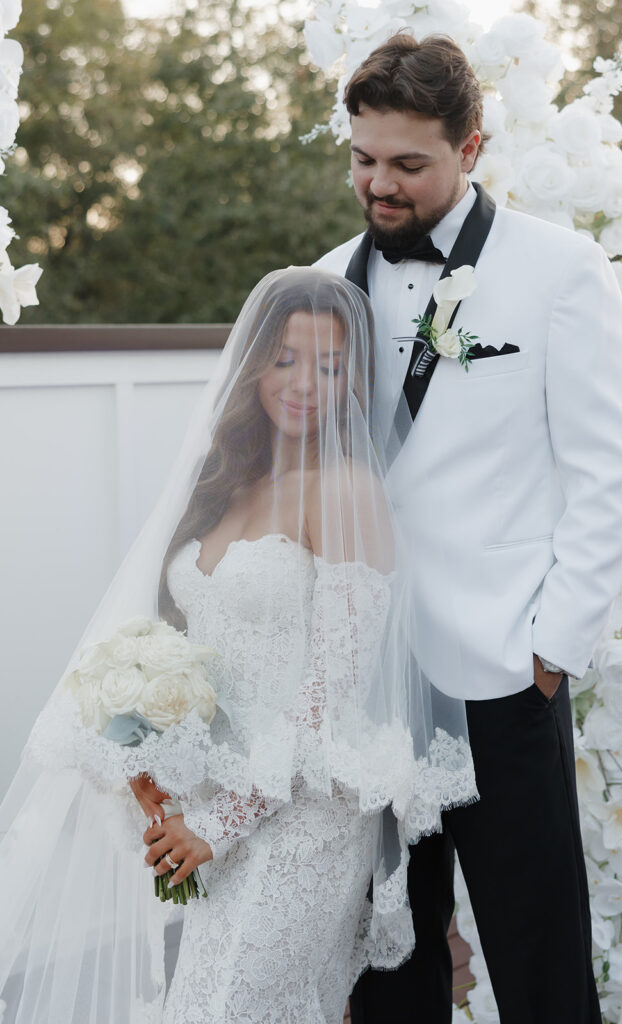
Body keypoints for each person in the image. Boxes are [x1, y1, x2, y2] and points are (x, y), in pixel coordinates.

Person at [0, 268, 476, 1024]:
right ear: (253, 360)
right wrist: (145, 759)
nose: (303, 383)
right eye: (285, 357)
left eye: (329, 365)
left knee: (224, 1009)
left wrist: (217, 828)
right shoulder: (224, 484)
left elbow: (332, 693)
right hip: (211, 801)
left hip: (306, 812)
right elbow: (176, 646)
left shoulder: (345, 489)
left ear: (354, 380)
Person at [315, 33, 622, 1024]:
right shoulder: (324, 280)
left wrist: (552, 649)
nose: (380, 183)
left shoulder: (560, 269)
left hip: (505, 676)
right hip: (372, 689)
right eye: (365, 158)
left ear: (472, 149)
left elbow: (606, 474)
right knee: (390, 972)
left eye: (408, 163)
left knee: (541, 969)